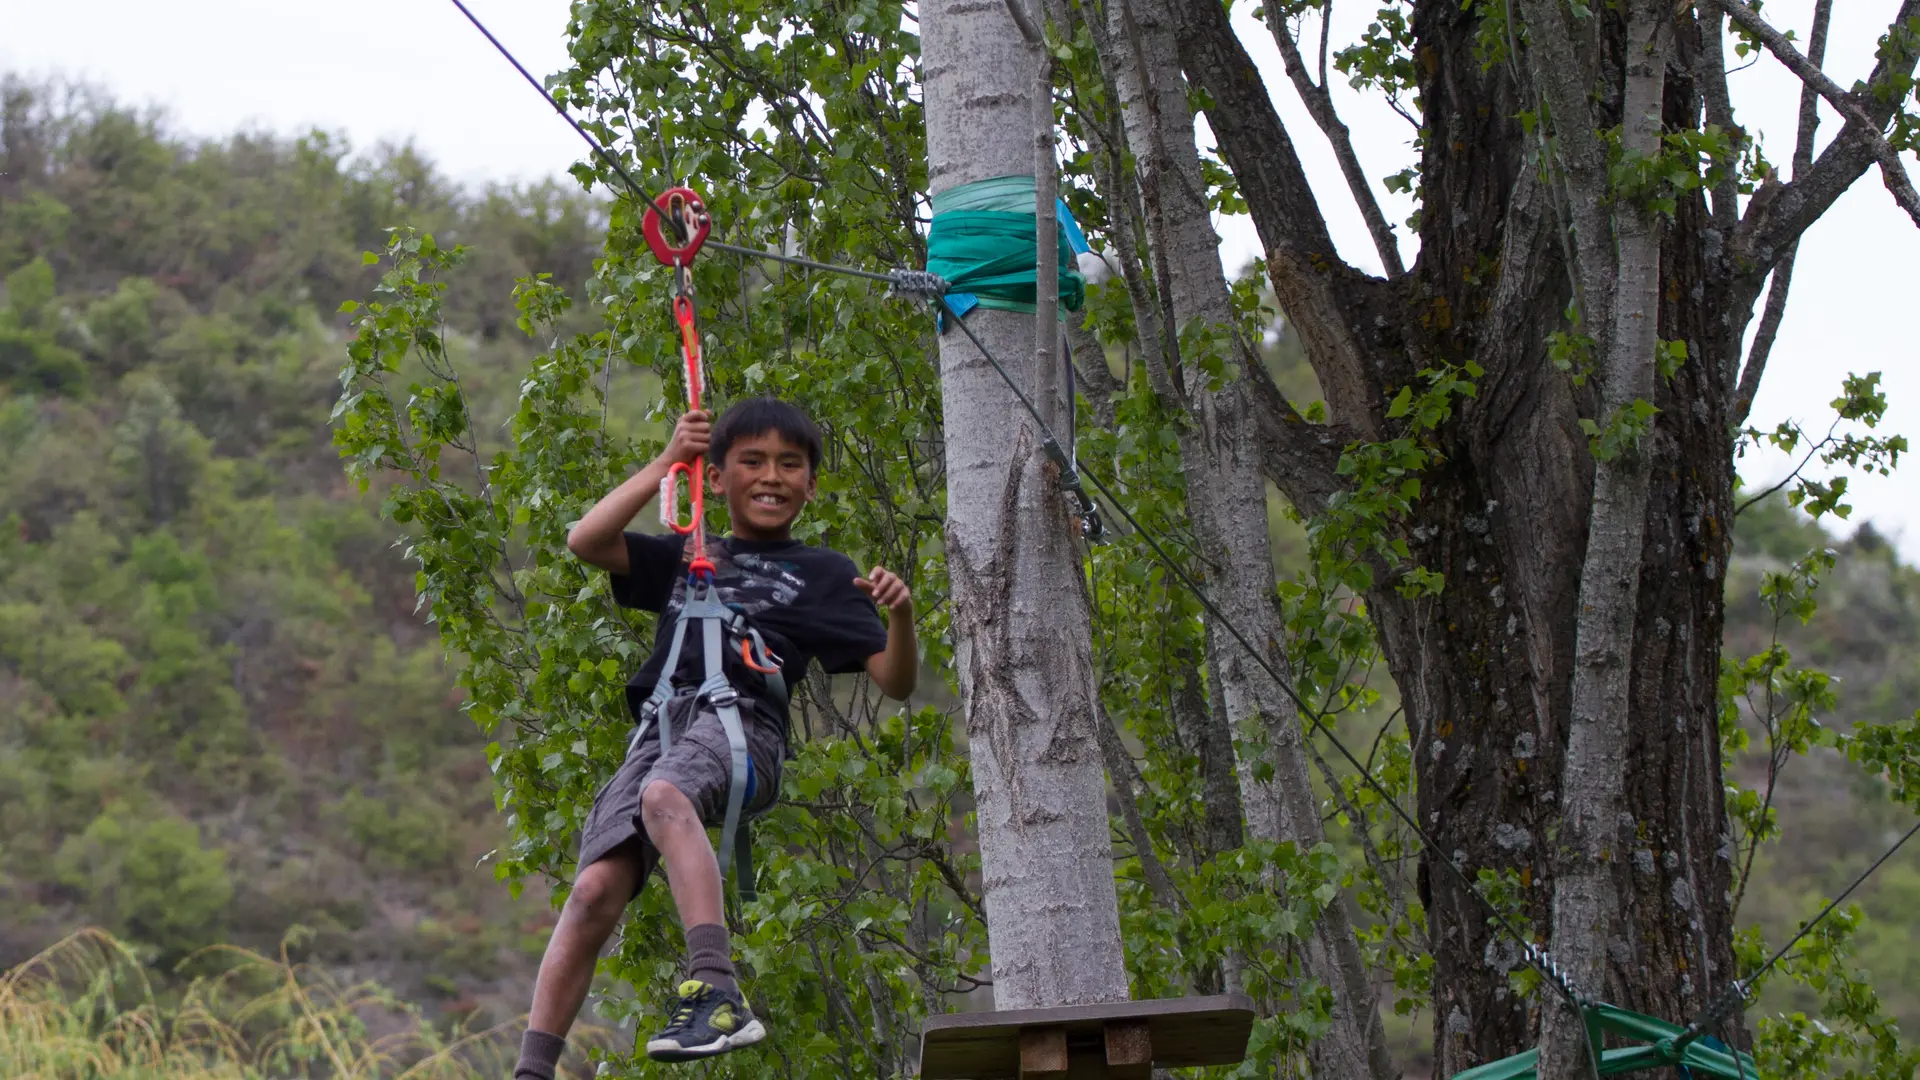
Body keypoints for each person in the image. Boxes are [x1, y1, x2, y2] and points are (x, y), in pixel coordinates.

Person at [513, 398, 918, 1077]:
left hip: (743, 729)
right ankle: (531, 1069)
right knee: (591, 893)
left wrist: (901, 616)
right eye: (752, 461)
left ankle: (717, 988)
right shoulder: (688, 553)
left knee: (666, 796)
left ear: (811, 485)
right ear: (718, 479)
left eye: (791, 465)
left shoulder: (823, 572)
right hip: (663, 731)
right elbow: (586, 540)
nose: (772, 476)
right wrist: (669, 461)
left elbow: (896, 682)